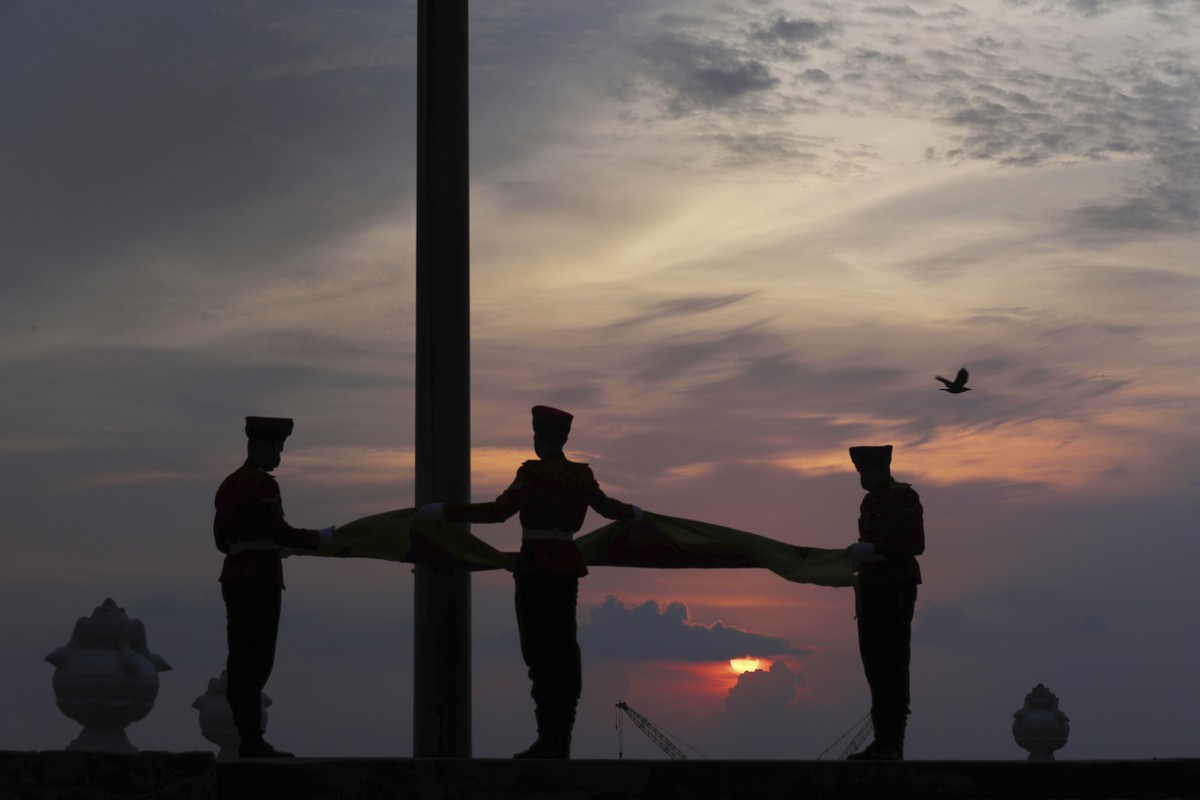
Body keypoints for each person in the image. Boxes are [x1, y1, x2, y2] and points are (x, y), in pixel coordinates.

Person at [419, 405, 642, 759]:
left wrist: (445, 512)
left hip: (535, 567)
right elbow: (610, 508)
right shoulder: (581, 476)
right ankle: (558, 739)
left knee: (539, 654)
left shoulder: (532, 474)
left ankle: (549, 739)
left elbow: (498, 512)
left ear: (539, 438)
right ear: (564, 438)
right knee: (563, 651)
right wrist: (636, 513)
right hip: (566, 568)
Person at [213, 416, 334, 758]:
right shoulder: (263, 486)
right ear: (261, 446)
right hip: (258, 578)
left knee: (241, 656)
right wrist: (319, 539)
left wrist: (265, 543)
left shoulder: (229, 484)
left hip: (235, 575)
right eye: (277, 449)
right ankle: (252, 740)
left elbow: (222, 540)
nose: (280, 456)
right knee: (257, 659)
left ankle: (247, 734)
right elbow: (278, 530)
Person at [846, 445, 924, 761]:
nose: (864, 478)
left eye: (868, 472)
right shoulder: (869, 502)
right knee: (874, 667)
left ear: (884, 469)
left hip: (896, 587)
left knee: (892, 663)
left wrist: (877, 548)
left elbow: (916, 544)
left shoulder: (905, 498)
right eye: (860, 473)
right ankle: (882, 740)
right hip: (870, 589)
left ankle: (892, 743)